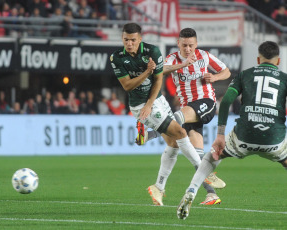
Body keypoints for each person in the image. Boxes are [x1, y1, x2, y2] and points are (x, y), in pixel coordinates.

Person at [177, 41, 287, 220]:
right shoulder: (284, 78)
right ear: (279, 61)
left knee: (212, 157)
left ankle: (192, 190)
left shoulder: (245, 74)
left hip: (243, 135)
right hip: (273, 138)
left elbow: (227, 100)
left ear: (258, 59)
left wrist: (220, 134)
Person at [110, 23, 202, 206]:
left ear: (140, 39)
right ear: (122, 39)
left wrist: (152, 101)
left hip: (156, 101)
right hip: (139, 105)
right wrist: (146, 72)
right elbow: (128, 86)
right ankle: (203, 171)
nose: (129, 44)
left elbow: (159, 77)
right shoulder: (117, 58)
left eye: (133, 40)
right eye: (126, 40)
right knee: (181, 133)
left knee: (174, 144)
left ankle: (158, 187)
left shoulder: (153, 51)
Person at [136, 28, 230, 205]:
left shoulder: (204, 56)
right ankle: (210, 194)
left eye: (191, 45)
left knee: (177, 118)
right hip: (189, 110)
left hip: (206, 103)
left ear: (196, 44)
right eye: (184, 45)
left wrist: (215, 77)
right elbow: (160, 71)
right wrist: (183, 64)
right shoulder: (172, 58)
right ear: (178, 43)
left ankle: (149, 135)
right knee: (191, 153)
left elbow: (227, 71)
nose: (188, 49)